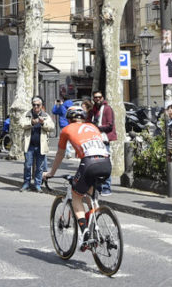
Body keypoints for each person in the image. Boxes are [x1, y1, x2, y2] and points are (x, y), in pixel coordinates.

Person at [42, 102, 112, 249]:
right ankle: (94, 222)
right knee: (89, 195)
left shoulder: (67, 129)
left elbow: (60, 154)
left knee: (76, 197)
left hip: (89, 163)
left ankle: (85, 233)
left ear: (68, 119)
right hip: (106, 162)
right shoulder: (93, 127)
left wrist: (51, 173)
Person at [20, 96, 54, 192]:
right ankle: (26, 183)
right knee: (27, 165)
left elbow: (52, 127)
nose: (35, 107)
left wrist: (43, 123)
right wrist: (31, 122)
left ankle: (37, 184)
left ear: (41, 106)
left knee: (40, 166)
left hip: (41, 146)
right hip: (29, 145)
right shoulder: (27, 114)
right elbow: (21, 124)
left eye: (38, 105)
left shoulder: (46, 116)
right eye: (34, 105)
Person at [87, 90, 116, 195]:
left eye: (99, 97)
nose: (98, 99)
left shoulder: (107, 109)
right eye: (95, 97)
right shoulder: (92, 110)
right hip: (94, 141)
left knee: (105, 164)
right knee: (95, 164)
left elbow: (110, 125)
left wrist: (97, 128)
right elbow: (88, 123)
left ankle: (106, 187)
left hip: (104, 141)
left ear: (102, 97)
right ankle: (97, 186)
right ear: (93, 99)